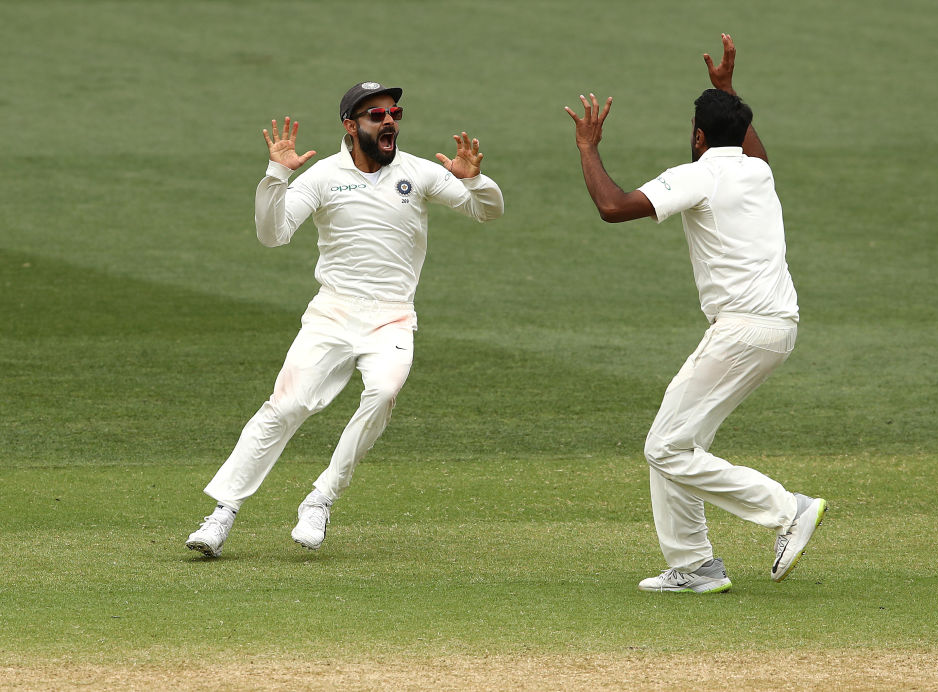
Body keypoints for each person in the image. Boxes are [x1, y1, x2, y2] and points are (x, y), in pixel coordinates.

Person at [186, 81, 504, 557]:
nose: (389, 120)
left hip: (393, 317)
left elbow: (488, 211)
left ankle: (321, 498)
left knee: (383, 392)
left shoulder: (418, 173)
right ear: (351, 126)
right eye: (376, 115)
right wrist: (277, 174)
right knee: (288, 406)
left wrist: (474, 179)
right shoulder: (322, 177)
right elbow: (272, 235)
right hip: (333, 313)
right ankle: (222, 514)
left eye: (394, 112)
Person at [565, 34, 826, 592]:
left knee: (664, 447)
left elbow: (613, 207)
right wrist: (729, 92)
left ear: (699, 136)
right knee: (677, 440)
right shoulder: (758, 170)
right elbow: (751, 147)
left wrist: (588, 145)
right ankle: (694, 566)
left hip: (742, 332)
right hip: (777, 328)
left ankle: (788, 509)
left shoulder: (700, 173)